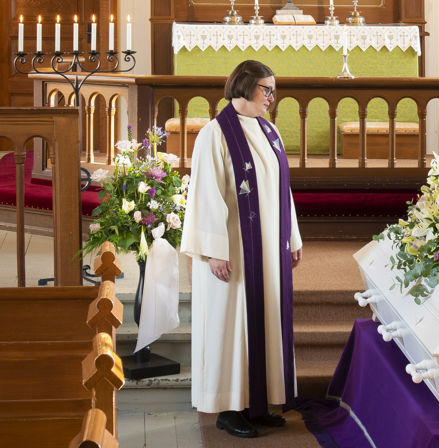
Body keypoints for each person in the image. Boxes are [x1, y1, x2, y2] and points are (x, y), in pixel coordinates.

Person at [181, 60, 303, 439]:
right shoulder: (215, 135)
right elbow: (205, 197)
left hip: (268, 250)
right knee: (231, 327)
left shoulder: (269, 131)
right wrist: (217, 250)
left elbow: (282, 189)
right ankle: (227, 407)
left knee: (263, 322)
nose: (272, 97)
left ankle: (258, 402)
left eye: (273, 89)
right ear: (245, 87)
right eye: (267, 89)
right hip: (233, 250)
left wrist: (292, 239)